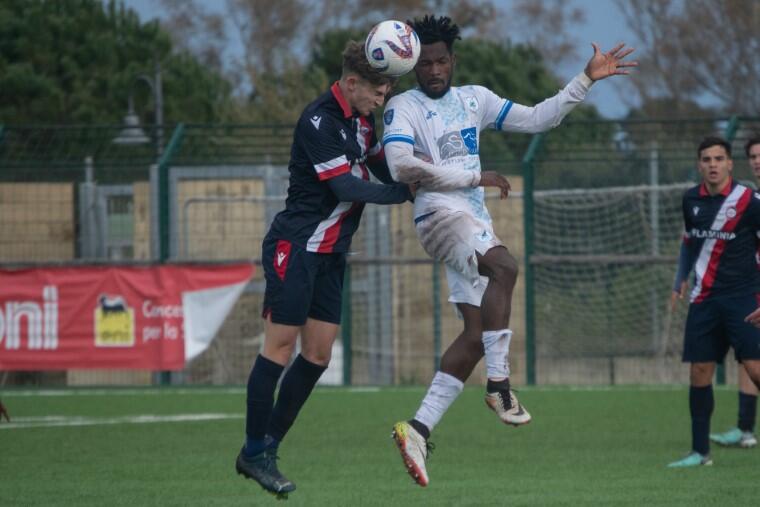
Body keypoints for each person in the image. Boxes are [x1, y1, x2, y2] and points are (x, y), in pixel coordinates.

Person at [382, 14, 637, 486]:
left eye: (441, 62)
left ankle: (417, 428)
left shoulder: (474, 100)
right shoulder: (403, 106)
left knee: (476, 334)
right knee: (505, 266)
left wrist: (585, 79)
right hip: (438, 217)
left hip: (473, 221)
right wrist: (474, 176)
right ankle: (499, 385)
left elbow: (540, 118)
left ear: (453, 61)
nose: (434, 71)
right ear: (413, 66)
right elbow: (400, 165)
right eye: (426, 64)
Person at [234, 40, 415, 498]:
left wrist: (426, 178)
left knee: (317, 355)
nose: (383, 98)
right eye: (378, 90)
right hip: (296, 247)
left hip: (332, 253)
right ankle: (254, 450)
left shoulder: (362, 120)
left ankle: (267, 448)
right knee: (279, 348)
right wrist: (403, 194)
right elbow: (345, 187)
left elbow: (383, 167)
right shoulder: (318, 120)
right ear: (352, 83)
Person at [666, 136, 760, 467]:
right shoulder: (691, 199)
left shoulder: (750, 201)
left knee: (755, 367)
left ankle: (742, 429)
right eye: (706, 159)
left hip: (745, 298)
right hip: (704, 298)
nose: (713, 165)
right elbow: (689, 242)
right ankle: (700, 451)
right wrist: (680, 279)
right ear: (699, 165)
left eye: (719, 159)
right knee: (700, 371)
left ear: (730, 163)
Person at [705, 136, 760, 449]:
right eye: (753, 156)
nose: (757, 161)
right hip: (751, 288)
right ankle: (745, 428)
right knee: (749, 355)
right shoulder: (749, 198)